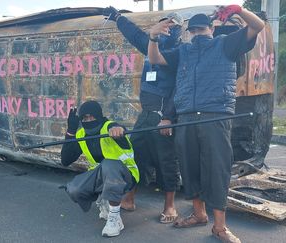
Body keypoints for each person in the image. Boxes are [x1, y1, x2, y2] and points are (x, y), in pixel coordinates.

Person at [148, 5, 265, 243]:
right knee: (190, 168)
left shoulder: (225, 43)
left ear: (212, 28)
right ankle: (199, 214)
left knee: (217, 170)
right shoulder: (183, 51)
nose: (198, 32)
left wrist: (239, 10)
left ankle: (220, 227)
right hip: (187, 118)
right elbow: (155, 58)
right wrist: (152, 37)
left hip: (215, 116)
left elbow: (258, 26)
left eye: (201, 28)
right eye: (194, 30)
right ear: (189, 32)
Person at [102, 6, 181, 223]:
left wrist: (169, 117)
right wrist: (117, 17)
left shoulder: (180, 52)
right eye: (165, 23)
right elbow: (134, 33)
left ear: (179, 30)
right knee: (134, 156)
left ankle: (170, 206)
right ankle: (129, 198)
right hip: (146, 115)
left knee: (167, 161)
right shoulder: (151, 44)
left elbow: (179, 90)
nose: (168, 28)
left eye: (172, 25)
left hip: (163, 116)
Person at [61, 100, 139, 237]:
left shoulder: (109, 127)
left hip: (126, 175)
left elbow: (117, 128)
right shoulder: (81, 134)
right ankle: (104, 200)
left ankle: (115, 219)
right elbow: (65, 160)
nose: (88, 120)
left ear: (99, 116)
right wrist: (71, 131)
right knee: (74, 189)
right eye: (84, 118)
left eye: (92, 116)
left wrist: (118, 130)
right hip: (102, 176)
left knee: (109, 164)